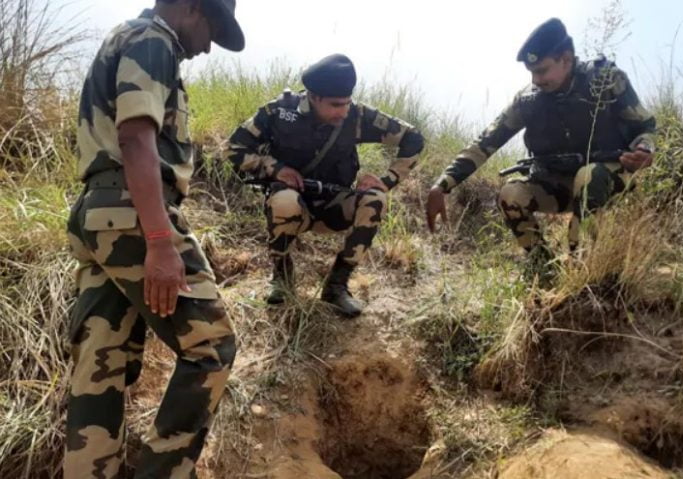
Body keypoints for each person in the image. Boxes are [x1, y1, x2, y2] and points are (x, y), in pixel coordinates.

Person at [64, 1, 244, 477]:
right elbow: (136, 140)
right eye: (212, 27)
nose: (207, 47)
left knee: (101, 366)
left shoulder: (129, 37)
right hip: (133, 216)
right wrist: (161, 240)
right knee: (212, 348)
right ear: (188, 6)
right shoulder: (154, 41)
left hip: (100, 216)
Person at [426, 18, 656, 263]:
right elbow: (484, 144)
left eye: (541, 70)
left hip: (605, 180)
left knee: (589, 176)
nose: (535, 80)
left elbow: (645, 127)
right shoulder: (527, 101)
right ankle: (543, 268)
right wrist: (441, 185)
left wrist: (644, 149)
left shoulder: (605, 80)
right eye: (531, 73)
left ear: (566, 59)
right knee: (511, 193)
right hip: (556, 184)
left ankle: (582, 270)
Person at [225, 53, 425, 317]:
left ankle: (336, 286)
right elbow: (234, 148)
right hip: (293, 207)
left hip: (335, 207)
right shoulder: (279, 112)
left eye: (346, 103)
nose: (343, 112)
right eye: (335, 105)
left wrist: (386, 180)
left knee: (375, 198)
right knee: (283, 200)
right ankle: (282, 278)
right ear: (313, 96)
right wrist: (276, 168)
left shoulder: (357, 116)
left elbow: (413, 138)